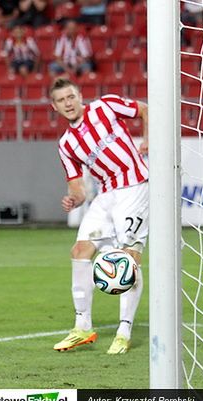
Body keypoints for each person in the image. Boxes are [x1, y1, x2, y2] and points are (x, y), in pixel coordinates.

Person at [50, 77, 149, 354]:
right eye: (61, 100)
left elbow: (144, 109)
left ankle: (124, 330)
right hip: (105, 195)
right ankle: (82, 327)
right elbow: (77, 187)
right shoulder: (66, 144)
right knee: (80, 250)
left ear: (80, 96)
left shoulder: (105, 106)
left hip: (135, 187)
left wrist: (148, 139)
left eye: (70, 97)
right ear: (54, 107)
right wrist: (74, 199)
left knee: (128, 258)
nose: (67, 103)